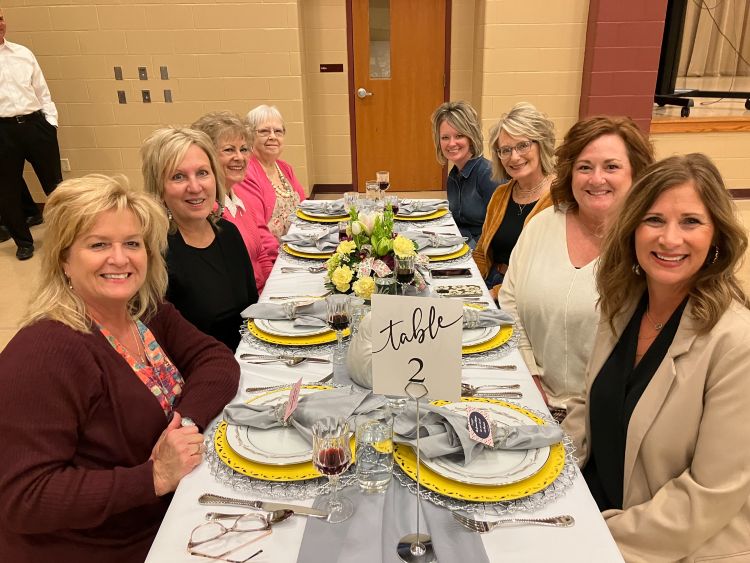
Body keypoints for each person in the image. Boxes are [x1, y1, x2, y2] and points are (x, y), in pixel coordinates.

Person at [0, 175, 240, 562]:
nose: (120, 258)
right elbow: (24, 498)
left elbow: (217, 360)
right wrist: (153, 477)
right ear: (64, 259)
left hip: (168, 512)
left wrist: (185, 422)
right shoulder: (45, 351)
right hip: (104, 546)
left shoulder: (144, 311)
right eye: (98, 244)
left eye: (132, 243)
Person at [564, 154, 750, 562]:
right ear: (632, 228)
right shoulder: (624, 304)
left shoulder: (737, 344)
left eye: (690, 221)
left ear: (717, 237)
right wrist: (546, 470)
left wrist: (589, 538)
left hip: (667, 544)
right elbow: (589, 403)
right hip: (591, 507)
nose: (669, 239)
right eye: (654, 220)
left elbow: (706, 498)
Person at [498, 116, 655, 420]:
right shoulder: (542, 225)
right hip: (529, 398)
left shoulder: (647, 245)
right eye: (585, 167)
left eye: (611, 167)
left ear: (636, 173)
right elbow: (509, 301)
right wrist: (530, 376)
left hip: (609, 416)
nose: (596, 179)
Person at [141, 127, 259, 350]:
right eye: (178, 177)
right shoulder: (155, 252)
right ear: (159, 188)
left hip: (250, 357)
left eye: (203, 173)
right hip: (202, 367)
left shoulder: (228, 233)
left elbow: (252, 308)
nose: (195, 187)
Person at [472, 102, 556, 299]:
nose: (514, 157)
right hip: (491, 282)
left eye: (523, 145)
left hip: (527, 295)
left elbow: (549, 271)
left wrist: (494, 294)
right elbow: (482, 252)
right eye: (506, 150)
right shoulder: (501, 194)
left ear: (541, 144)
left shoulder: (560, 199)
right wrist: (470, 283)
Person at [0, 6, 62, 259]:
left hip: (36, 125)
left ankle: (67, 233)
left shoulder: (23, 53)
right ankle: (24, 242)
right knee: (7, 192)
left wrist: (51, 123)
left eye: (0, 18)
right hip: (3, 132)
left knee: (56, 187)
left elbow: (42, 91)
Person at [191, 111, 274, 292]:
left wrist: (275, 288)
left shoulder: (241, 200)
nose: (240, 157)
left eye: (244, 149)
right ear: (207, 156)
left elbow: (261, 255)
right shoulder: (207, 212)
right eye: (229, 150)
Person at [236, 104, 307, 265]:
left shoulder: (284, 168)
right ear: (249, 136)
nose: (273, 136)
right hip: (275, 259)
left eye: (278, 131)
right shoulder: (246, 173)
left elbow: (305, 209)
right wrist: (284, 260)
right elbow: (257, 230)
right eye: (264, 131)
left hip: (298, 248)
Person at [430, 101, 500, 247]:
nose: (451, 143)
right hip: (460, 245)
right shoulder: (453, 176)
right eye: (445, 137)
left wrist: (467, 251)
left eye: (459, 135)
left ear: (471, 138)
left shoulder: (488, 175)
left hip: (481, 253)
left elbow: (498, 230)